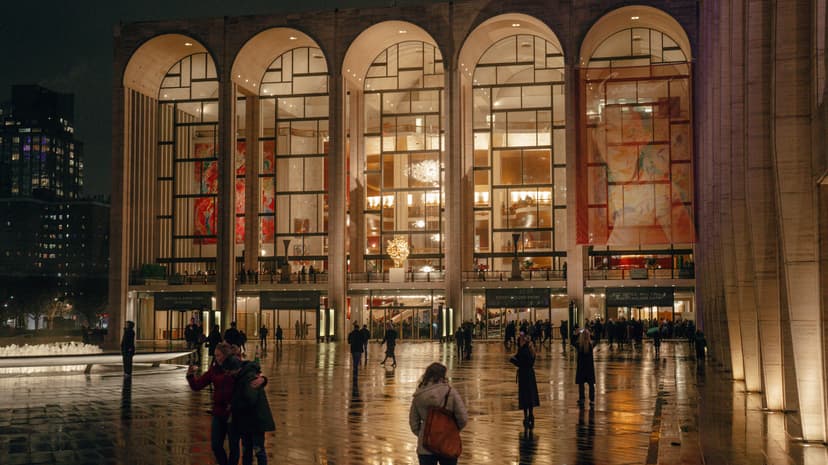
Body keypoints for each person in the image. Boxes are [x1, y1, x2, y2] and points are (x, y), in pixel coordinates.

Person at [186, 342, 240, 465]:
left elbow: (248, 376)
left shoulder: (235, 366)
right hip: (218, 411)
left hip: (233, 413)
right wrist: (190, 375)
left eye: (219, 355)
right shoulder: (214, 370)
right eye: (215, 355)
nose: (216, 358)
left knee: (234, 446)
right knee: (216, 445)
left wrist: (262, 379)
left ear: (226, 356)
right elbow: (197, 385)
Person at [409, 362, 469, 465]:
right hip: (448, 443)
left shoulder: (418, 395)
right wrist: (453, 430)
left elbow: (414, 423)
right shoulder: (451, 392)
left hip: (426, 445)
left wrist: (424, 434)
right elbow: (463, 418)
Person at [229, 356, 274, 465]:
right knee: (248, 450)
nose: (229, 374)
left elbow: (250, 399)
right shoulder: (243, 376)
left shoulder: (247, 377)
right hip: (248, 421)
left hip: (255, 421)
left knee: (257, 450)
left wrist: (235, 405)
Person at [512, 334, 540, 427]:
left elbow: (520, 362)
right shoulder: (531, 349)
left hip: (524, 375)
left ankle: (526, 416)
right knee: (530, 394)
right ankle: (531, 414)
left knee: (524, 396)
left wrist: (513, 360)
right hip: (530, 374)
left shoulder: (523, 350)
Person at [575, 329, 596, 407]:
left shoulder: (579, 345)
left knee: (581, 384)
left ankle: (582, 398)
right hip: (589, 367)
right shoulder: (591, 345)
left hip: (581, 367)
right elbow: (596, 339)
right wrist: (590, 334)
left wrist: (578, 333)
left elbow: (572, 340)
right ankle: (592, 399)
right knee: (591, 384)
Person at [348, 323, 364, 389]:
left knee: (354, 359)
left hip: (353, 348)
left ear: (354, 328)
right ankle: (355, 369)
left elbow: (349, 341)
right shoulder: (360, 333)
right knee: (357, 360)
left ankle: (355, 368)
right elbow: (363, 340)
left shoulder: (351, 333)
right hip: (359, 349)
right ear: (358, 328)